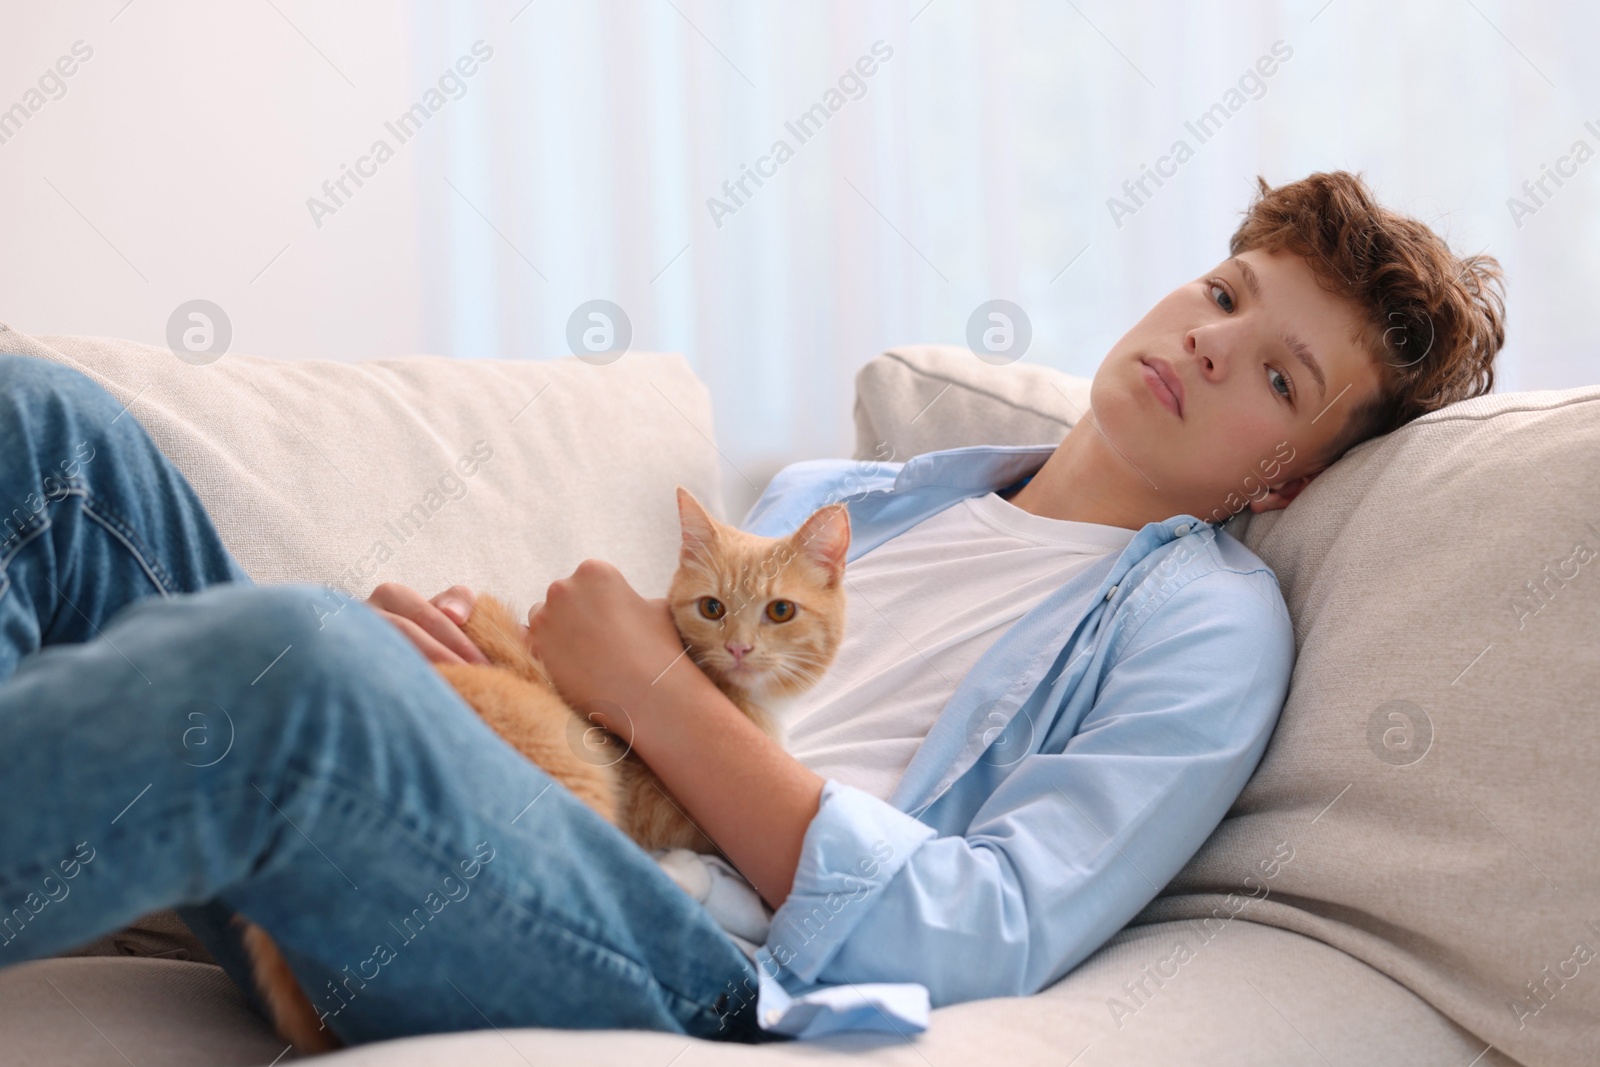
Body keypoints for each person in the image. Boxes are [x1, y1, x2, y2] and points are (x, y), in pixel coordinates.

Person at [0, 171, 1504, 1047]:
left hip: (694, 959)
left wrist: (647, 690)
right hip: (550, 821)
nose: (1214, 342)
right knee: (45, 435)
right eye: (1227, 292)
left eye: (1283, 376)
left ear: (1286, 480)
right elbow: (621, 719)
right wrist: (481, 680)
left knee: (295, 680)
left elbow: (981, 927)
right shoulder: (870, 493)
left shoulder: (1207, 629)